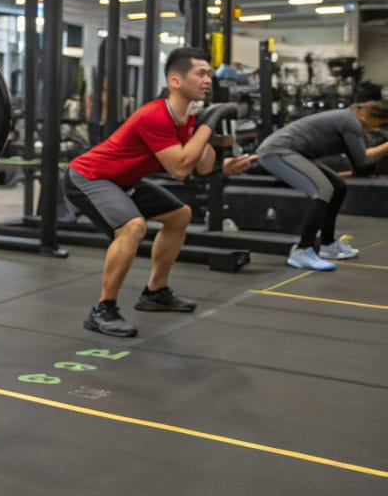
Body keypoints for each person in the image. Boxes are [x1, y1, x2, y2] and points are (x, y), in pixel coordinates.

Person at [62, 47, 258, 338]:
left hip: (123, 180)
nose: (208, 80)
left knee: (180, 215)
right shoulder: (155, 116)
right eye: (201, 74)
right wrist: (207, 124)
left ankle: (155, 292)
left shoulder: (188, 118)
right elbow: (180, 168)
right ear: (175, 81)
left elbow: (201, 166)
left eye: (209, 75)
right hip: (89, 176)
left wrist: (218, 152)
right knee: (132, 227)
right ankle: (103, 310)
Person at [255, 100, 388, 270]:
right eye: (382, 123)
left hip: (298, 153)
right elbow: (362, 162)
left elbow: (359, 166)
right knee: (322, 189)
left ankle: (327, 244)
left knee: (338, 187)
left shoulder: (350, 120)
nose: (378, 128)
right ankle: (302, 250)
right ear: (374, 117)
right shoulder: (351, 122)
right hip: (278, 151)